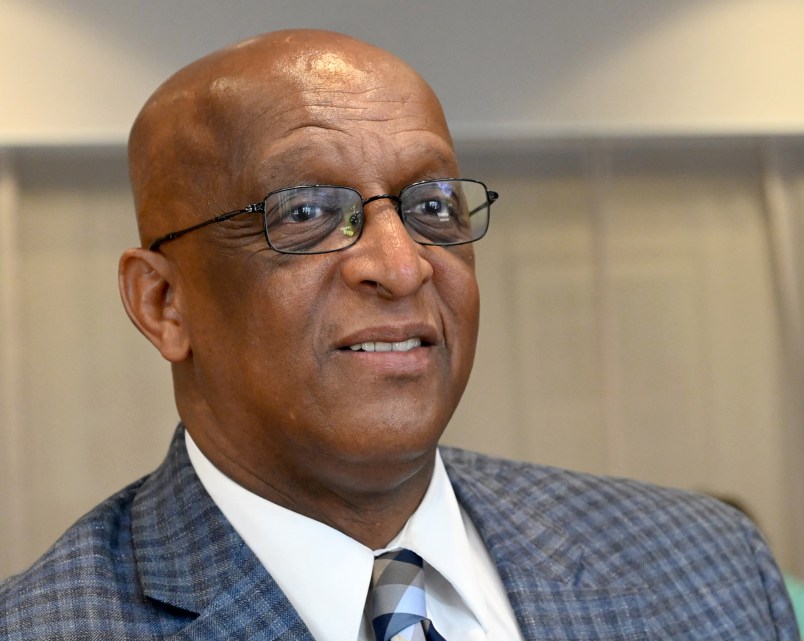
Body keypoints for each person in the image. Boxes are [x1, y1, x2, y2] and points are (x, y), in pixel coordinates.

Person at [0, 29, 797, 640]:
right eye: (306, 213)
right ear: (163, 302)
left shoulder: (706, 569)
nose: (402, 265)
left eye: (433, 207)